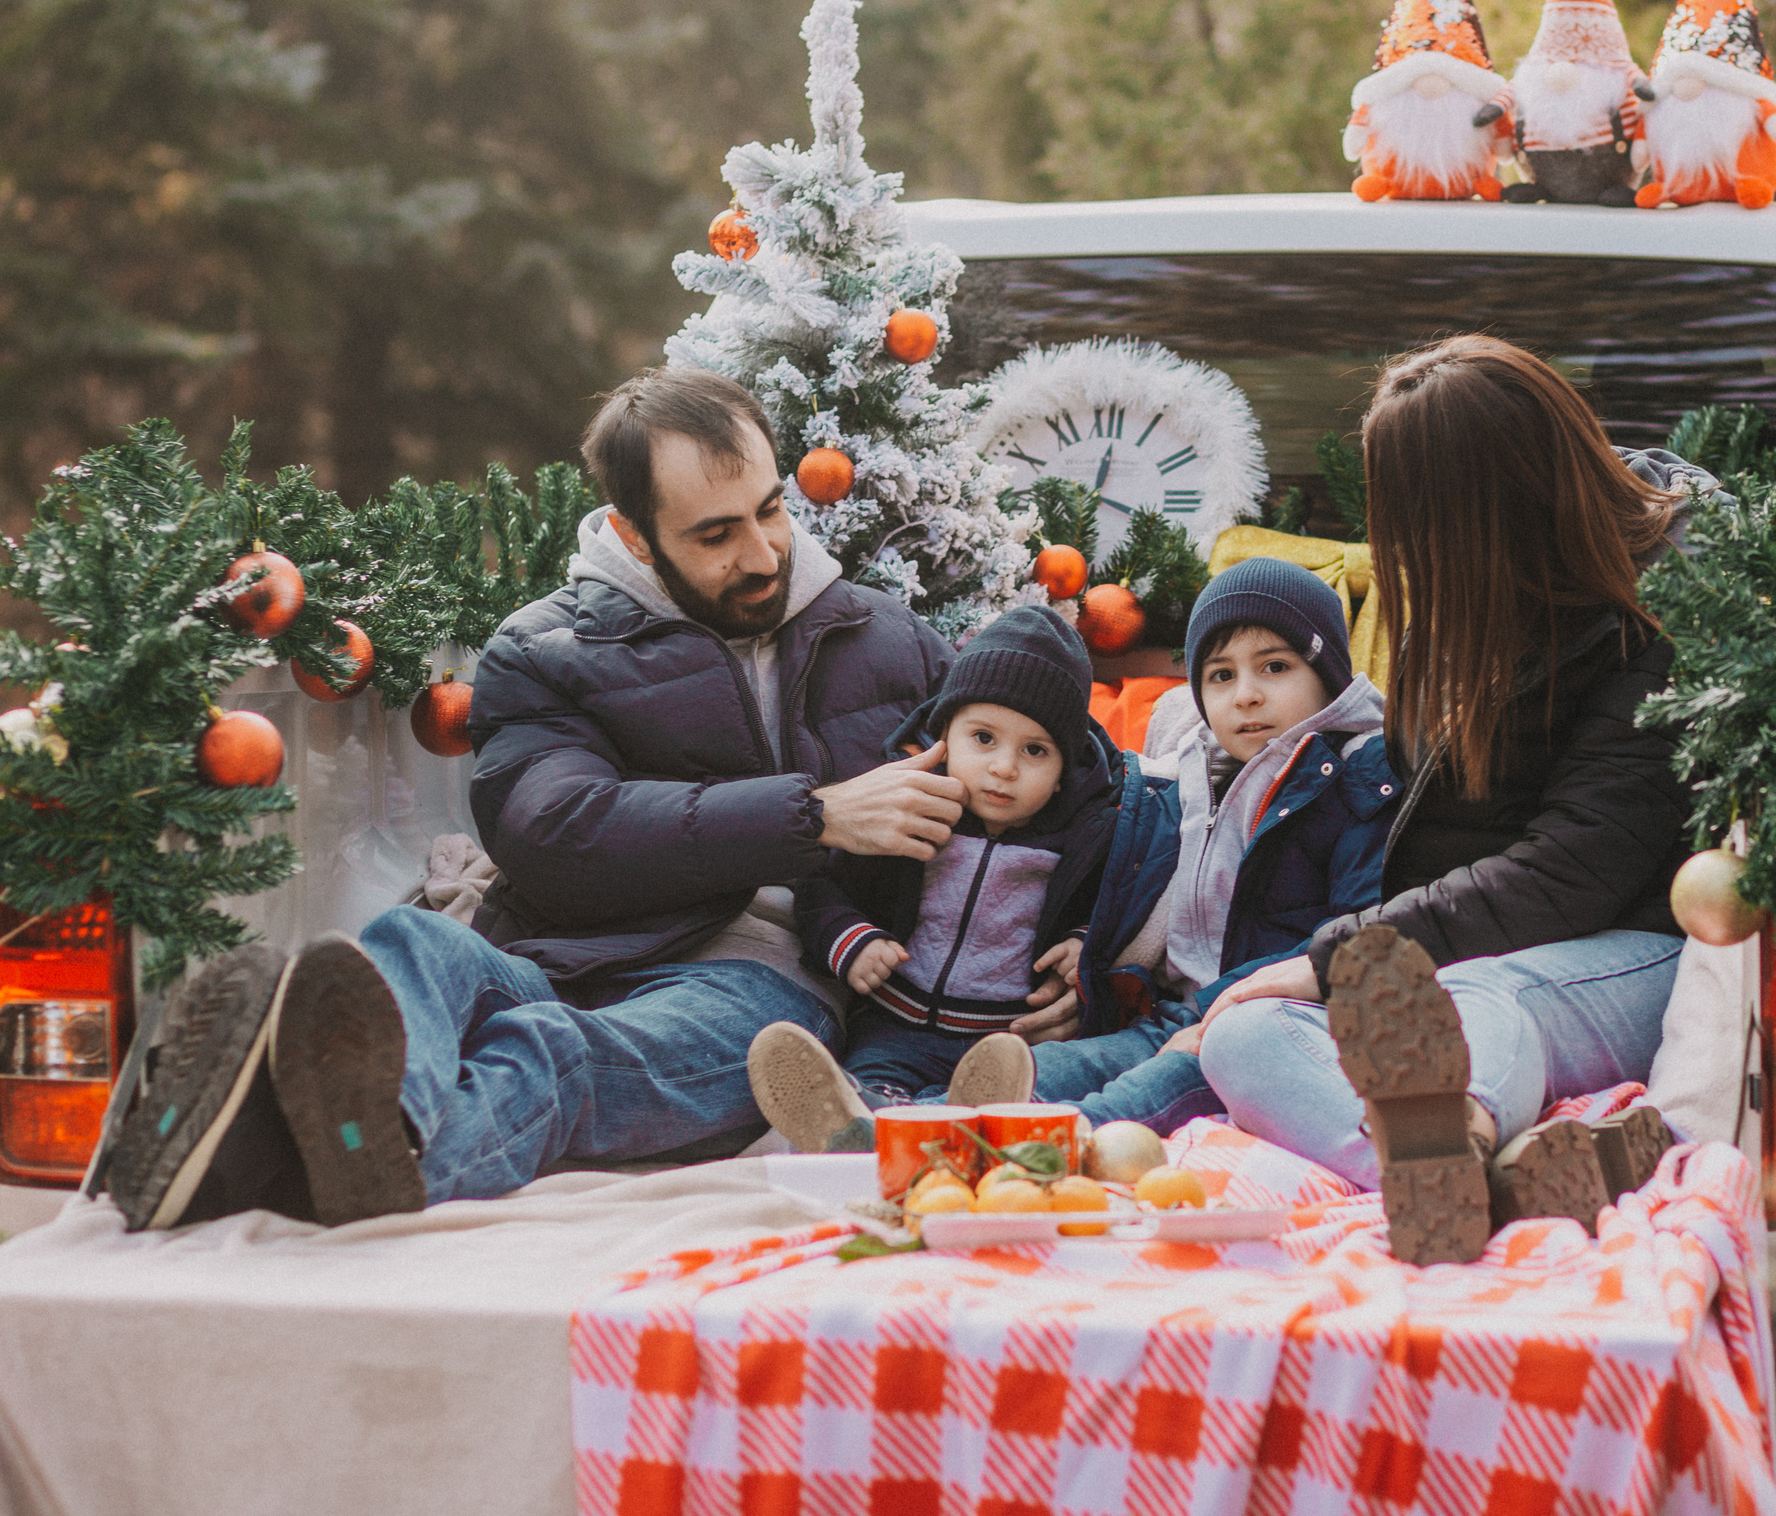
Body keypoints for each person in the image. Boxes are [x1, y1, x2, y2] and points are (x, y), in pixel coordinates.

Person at [100, 366, 968, 1230]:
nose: (763, 552)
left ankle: (261, 1160)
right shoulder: (544, 646)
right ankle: (359, 1131)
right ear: (634, 537)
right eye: (714, 534)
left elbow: (1033, 792)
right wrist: (813, 815)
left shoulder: (889, 641)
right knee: (412, 939)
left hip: (758, 986)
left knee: (548, 1055)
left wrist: (1090, 947)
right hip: (562, 957)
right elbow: (553, 831)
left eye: (770, 509)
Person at [1195, 335, 1708, 1264]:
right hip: (1469, 958)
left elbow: (1575, 872)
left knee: (1477, 999)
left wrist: (1342, 957)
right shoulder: (1480, 614)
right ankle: (1493, 1181)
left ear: (1481, 510)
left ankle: (1458, 1136)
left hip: (1627, 952)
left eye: (1409, 514)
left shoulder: (1658, 624)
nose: (1396, 544)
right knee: (1244, 1033)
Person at [1021, 558, 1398, 1133]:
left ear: (1329, 675)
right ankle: (901, 1123)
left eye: (1274, 667)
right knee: (1043, 1070)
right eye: (1221, 675)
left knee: (1126, 1102)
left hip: (1271, 1024)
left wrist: (1215, 1011)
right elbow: (1141, 886)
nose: (1245, 696)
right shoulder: (1185, 776)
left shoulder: (1357, 777)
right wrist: (1091, 944)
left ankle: (1031, 1150)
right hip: (1171, 1013)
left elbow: (1360, 929)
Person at [742, 607, 1129, 1143]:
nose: (1004, 768)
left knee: (1010, 1095)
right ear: (943, 734)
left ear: (1065, 771)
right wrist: (852, 941)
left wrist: (1082, 943)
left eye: (1035, 751)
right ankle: (858, 1125)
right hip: (896, 1025)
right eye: (984, 738)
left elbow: (1112, 908)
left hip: (1003, 1038)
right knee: (874, 1080)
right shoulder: (909, 811)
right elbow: (820, 886)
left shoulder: (1082, 838)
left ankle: (944, 1126)